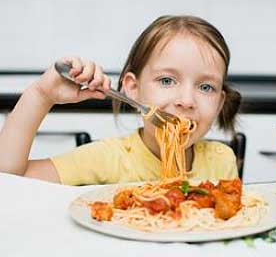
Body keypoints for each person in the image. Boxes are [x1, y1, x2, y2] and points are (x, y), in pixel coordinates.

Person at [0, 15, 241, 185]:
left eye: (205, 86)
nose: (186, 100)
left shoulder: (221, 160)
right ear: (132, 88)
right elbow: (9, 179)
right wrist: (41, 95)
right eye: (167, 81)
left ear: (219, 103)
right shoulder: (107, 159)